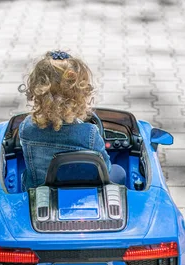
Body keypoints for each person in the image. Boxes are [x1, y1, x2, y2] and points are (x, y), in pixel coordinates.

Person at [18, 50, 126, 189]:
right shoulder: (90, 133)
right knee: (119, 172)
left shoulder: (27, 127)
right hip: (85, 192)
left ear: (36, 90)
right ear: (79, 94)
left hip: (40, 192)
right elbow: (106, 167)